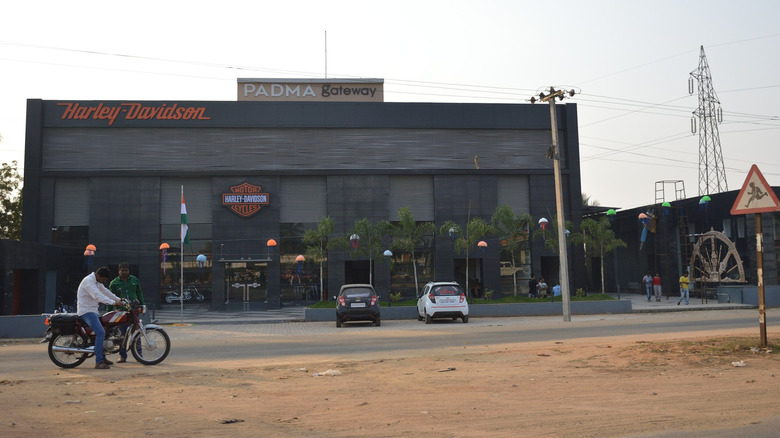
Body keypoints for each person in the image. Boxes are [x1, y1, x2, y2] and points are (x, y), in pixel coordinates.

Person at [77, 266, 123, 369]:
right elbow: (97, 295)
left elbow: (106, 291)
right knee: (101, 332)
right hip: (86, 311)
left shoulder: (97, 282)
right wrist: (113, 302)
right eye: (103, 279)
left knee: (106, 330)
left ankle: (102, 356)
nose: (104, 281)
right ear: (98, 275)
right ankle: (99, 361)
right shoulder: (89, 281)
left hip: (93, 311)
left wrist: (119, 300)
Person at [108, 262, 145, 363]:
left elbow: (139, 293)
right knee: (122, 336)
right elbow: (109, 298)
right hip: (121, 313)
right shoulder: (114, 283)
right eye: (122, 270)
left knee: (137, 333)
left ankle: (139, 355)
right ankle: (122, 356)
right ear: (118, 271)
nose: (124, 272)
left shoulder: (134, 280)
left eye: (126, 270)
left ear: (129, 271)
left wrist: (143, 305)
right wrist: (109, 313)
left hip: (134, 311)